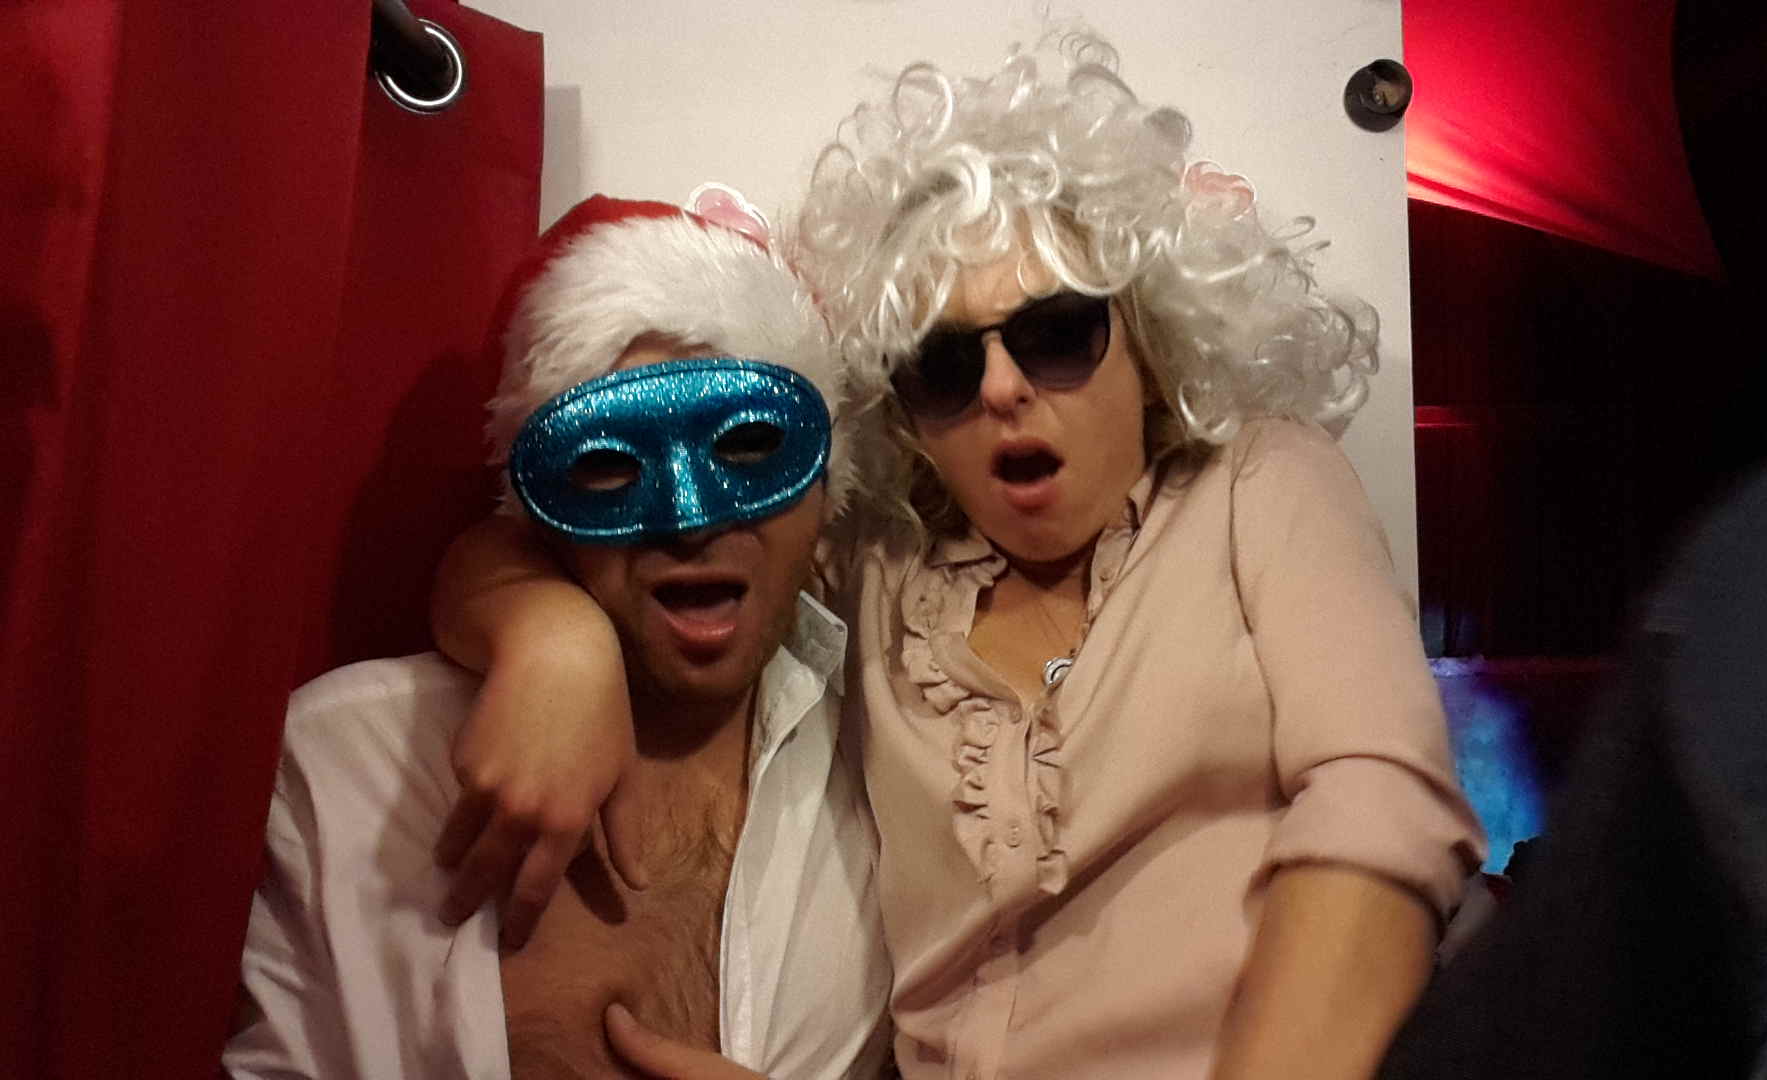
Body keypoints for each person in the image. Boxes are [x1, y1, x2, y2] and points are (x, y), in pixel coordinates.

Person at [431, 35, 1485, 1080]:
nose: (1000, 388)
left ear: (1152, 344)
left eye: (1058, 334)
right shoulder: (880, 574)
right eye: (944, 363)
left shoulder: (1258, 483)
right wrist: (551, 642)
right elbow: (576, 540)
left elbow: (1380, 806)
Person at [224, 193, 892, 1080]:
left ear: (826, 487)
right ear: (533, 510)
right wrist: (548, 635)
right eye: (608, 462)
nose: (690, 518)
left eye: (749, 446)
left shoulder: (902, 759)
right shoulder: (341, 765)